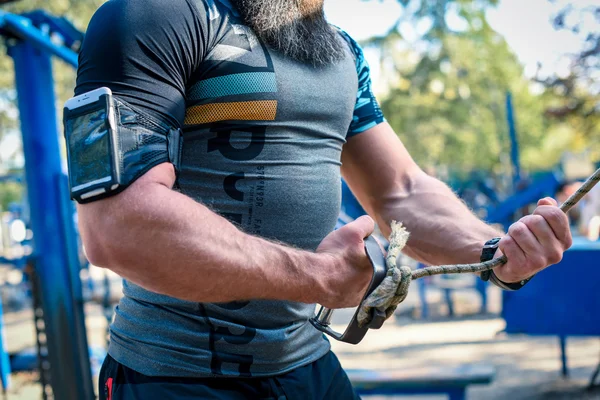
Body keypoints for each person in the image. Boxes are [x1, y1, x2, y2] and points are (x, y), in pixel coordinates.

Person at [73, 0, 572, 398]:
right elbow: (116, 226)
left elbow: (400, 191)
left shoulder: (340, 52)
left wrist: (494, 251)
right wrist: (318, 277)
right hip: (176, 375)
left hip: (306, 367)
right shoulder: (153, 14)